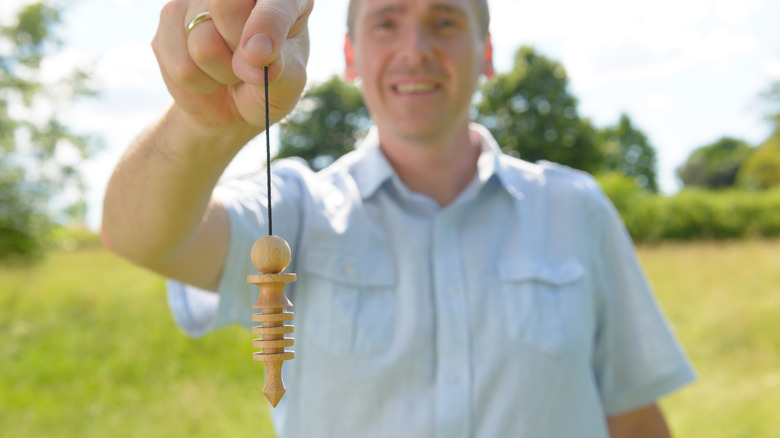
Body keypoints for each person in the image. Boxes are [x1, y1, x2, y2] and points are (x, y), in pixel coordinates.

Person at [101, 0, 695, 436]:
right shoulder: (296, 209)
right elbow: (144, 237)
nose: (416, 48)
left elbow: (632, 412)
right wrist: (206, 123)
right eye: (387, 22)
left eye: (445, 21)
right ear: (351, 57)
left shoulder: (577, 209)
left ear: (485, 54)